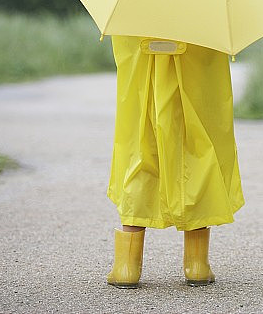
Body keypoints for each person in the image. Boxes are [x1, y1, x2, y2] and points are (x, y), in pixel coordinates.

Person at [105, 35, 245, 288]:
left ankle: (126, 267)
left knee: (142, 145)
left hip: (141, 44)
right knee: (197, 147)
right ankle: (197, 265)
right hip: (197, 41)